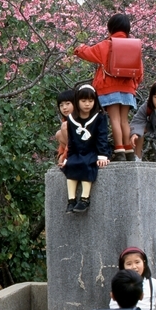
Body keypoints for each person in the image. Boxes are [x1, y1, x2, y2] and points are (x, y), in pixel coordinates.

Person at [75, 13, 139, 161]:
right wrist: (133, 85)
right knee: (124, 120)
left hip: (109, 88)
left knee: (114, 119)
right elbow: (139, 71)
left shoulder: (106, 44)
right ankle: (129, 150)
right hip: (128, 88)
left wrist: (79, 48)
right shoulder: (134, 47)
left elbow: (88, 53)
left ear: (110, 28)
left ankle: (119, 150)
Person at [61, 83, 110, 213]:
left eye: (90, 101)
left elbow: (102, 136)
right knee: (71, 164)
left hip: (93, 151)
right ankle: (71, 200)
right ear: (77, 101)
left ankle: (84, 198)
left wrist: (103, 155)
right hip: (77, 151)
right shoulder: (71, 119)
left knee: (86, 164)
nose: (87, 104)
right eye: (83, 101)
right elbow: (71, 141)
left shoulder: (100, 116)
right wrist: (68, 157)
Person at [53, 88, 75, 167]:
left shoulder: (80, 117)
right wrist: (61, 155)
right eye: (61, 105)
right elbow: (67, 143)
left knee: (64, 126)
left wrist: (65, 157)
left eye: (67, 103)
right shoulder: (66, 119)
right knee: (58, 134)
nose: (64, 107)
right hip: (74, 148)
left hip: (87, 147)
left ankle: (71, 156)